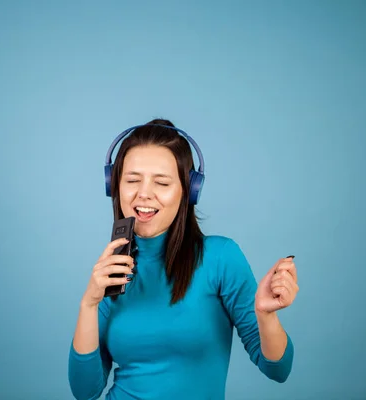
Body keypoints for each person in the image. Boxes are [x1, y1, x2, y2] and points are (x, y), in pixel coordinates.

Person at [68, 119, 299, 400]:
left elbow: (278, 370)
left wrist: (265, 315)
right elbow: (85, 391)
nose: (144, 193)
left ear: (188, 191)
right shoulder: (111, 270)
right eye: (132, 180)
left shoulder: (220, 258)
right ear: (114, 185)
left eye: (162, 182)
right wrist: (89, 304)